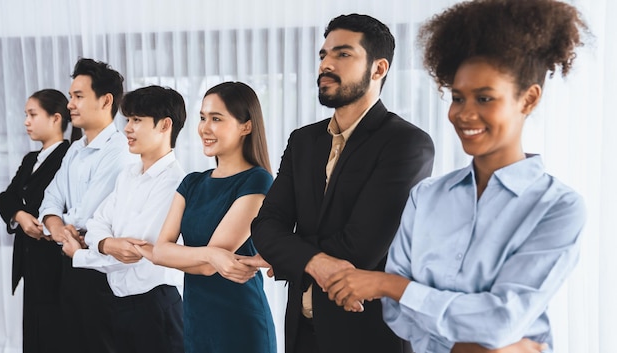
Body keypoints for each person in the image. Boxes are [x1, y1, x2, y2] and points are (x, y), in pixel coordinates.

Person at [324, 1, 588, 353]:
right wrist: (465, 345)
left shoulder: (558, 207)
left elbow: (501, 320)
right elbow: (398, 317)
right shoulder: (427, 197)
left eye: (484, 98)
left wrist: (390, 285)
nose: (465, 114)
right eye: (458, 97)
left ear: (528, 99)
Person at [246, 13, 435, 353]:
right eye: (323, 55)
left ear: (378, 69)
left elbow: (360, 248)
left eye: (342, 54)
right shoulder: (303, 141)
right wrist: (313, 261)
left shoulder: (406, 143)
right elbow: (264, 227)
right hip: (301, 333)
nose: (326, 64)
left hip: (367, 335)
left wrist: (290, 254)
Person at [142, 81, 276, 353]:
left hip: (240, 324)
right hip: (196, 323)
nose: (205, 128)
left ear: (246, 126)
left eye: (216, 118)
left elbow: (206, 267)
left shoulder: (257, 181)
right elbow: (161, 250)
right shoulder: (191, 183)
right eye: (203, 117)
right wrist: (210, 254)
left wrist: (198, 256)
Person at [61, 85, 186, 353]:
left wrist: (79, 255)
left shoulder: (175, 182)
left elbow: (135, 251)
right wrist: (107, 243)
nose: (127, 128)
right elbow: (97, 224)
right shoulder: (128, 175)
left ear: (165, 125)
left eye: (137, 120)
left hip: (155, 305)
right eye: (128, 120)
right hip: (121, 303)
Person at [39, 58, 130, 353]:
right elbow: (50, 198)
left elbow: (89, 215)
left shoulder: (119, 149)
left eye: (78, 96)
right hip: (70, 257)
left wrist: (60, 225)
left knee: (100, 344)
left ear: (106, 101)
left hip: (100, 266)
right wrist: (57, 225)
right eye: (70, 96)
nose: (70, 105)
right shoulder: (75, 149)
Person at [0, 89, 80, 353]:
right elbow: (5, 197)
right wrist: (20, 215)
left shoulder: (70, 156)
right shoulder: (31, 159)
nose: (26, 122)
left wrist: (43, 221)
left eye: (32, 114)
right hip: (30, 261)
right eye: (25, 115)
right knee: (33, 334)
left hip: (56, 262)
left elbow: (71, 206)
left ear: (56, 119)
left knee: (55, 334)